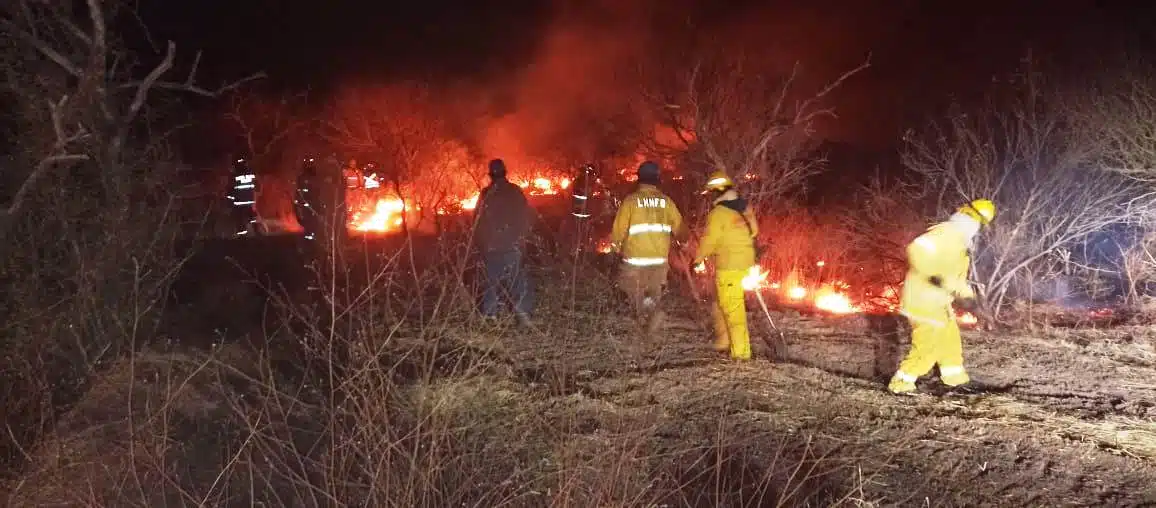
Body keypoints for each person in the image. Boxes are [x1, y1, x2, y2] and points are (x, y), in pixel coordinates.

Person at [888, 199, 996, 395]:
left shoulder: (960, 242)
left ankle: (955, 379)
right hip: (923, 300)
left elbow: (955, 278)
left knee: (949, 340)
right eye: (975, 220)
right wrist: (932, 275)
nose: (975, 225)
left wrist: (969, 299)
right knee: (927, 347)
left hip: (939, 302)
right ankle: (901, 383)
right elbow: (916, 248)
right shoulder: (947, 232)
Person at [609, 161, 687, 335]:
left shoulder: (631, 201)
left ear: (639, 179)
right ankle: (651, 318)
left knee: (632, 291)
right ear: (657, 179)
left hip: (634, 260)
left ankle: (641, 322)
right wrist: (686, 242)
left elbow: (618, 229)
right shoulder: (666, 202)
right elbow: (680, 228)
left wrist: (614, 249)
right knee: (653, 292)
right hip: (659, 261)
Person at [692, 170, 758, 361]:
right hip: (746, 265)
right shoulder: (745, 208)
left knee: (733, 310)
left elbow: (710, 240)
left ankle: (741, 355)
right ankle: (723, 342)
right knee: (721, 304)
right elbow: (754, 231)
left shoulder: (718, 213)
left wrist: (697, 259)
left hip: (729, 268)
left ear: (716, 192)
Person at [474, 158, 535, 326]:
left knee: (490, 282)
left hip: (491, 247)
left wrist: (482, 243)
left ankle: (490, 316)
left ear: (490, 175)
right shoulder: (515, 191)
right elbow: (526, 217)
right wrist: (522, 239)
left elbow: (477, 222)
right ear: (505, 172)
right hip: (512, 245)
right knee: (517, 279)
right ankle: (522, 314)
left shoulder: (486, 194)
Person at [227, 157, 259, 236]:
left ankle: (242, 234)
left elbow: (230, 189)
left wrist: (229, 199)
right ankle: (257, 231)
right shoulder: (251, 175)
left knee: (239, 218)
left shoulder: (235, 176)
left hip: (239, 202)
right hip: (249, 201)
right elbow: (257, 186)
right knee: (251, 216)